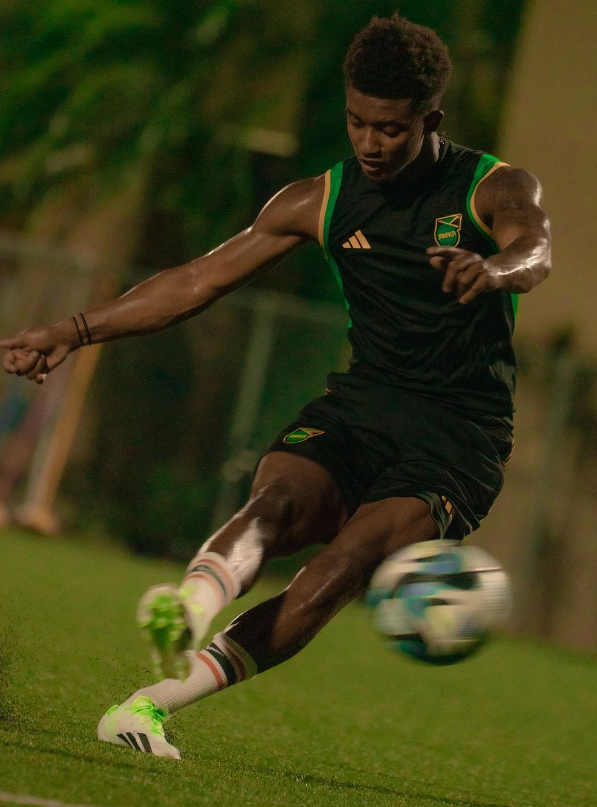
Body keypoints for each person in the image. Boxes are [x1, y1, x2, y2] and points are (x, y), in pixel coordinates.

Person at [0, 13, 551, 759]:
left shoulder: (490, 186)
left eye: (390, 129)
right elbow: (194, 281)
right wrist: (71, 329)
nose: (369, 143)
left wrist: (493, 271)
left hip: (458, 435)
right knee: (275, 501)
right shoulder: (314, 199)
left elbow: (534, 249)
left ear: (431, 119)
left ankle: (150, 705)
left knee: (338, 567)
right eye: (357, 123)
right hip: (361, 403)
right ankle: (187, 607)